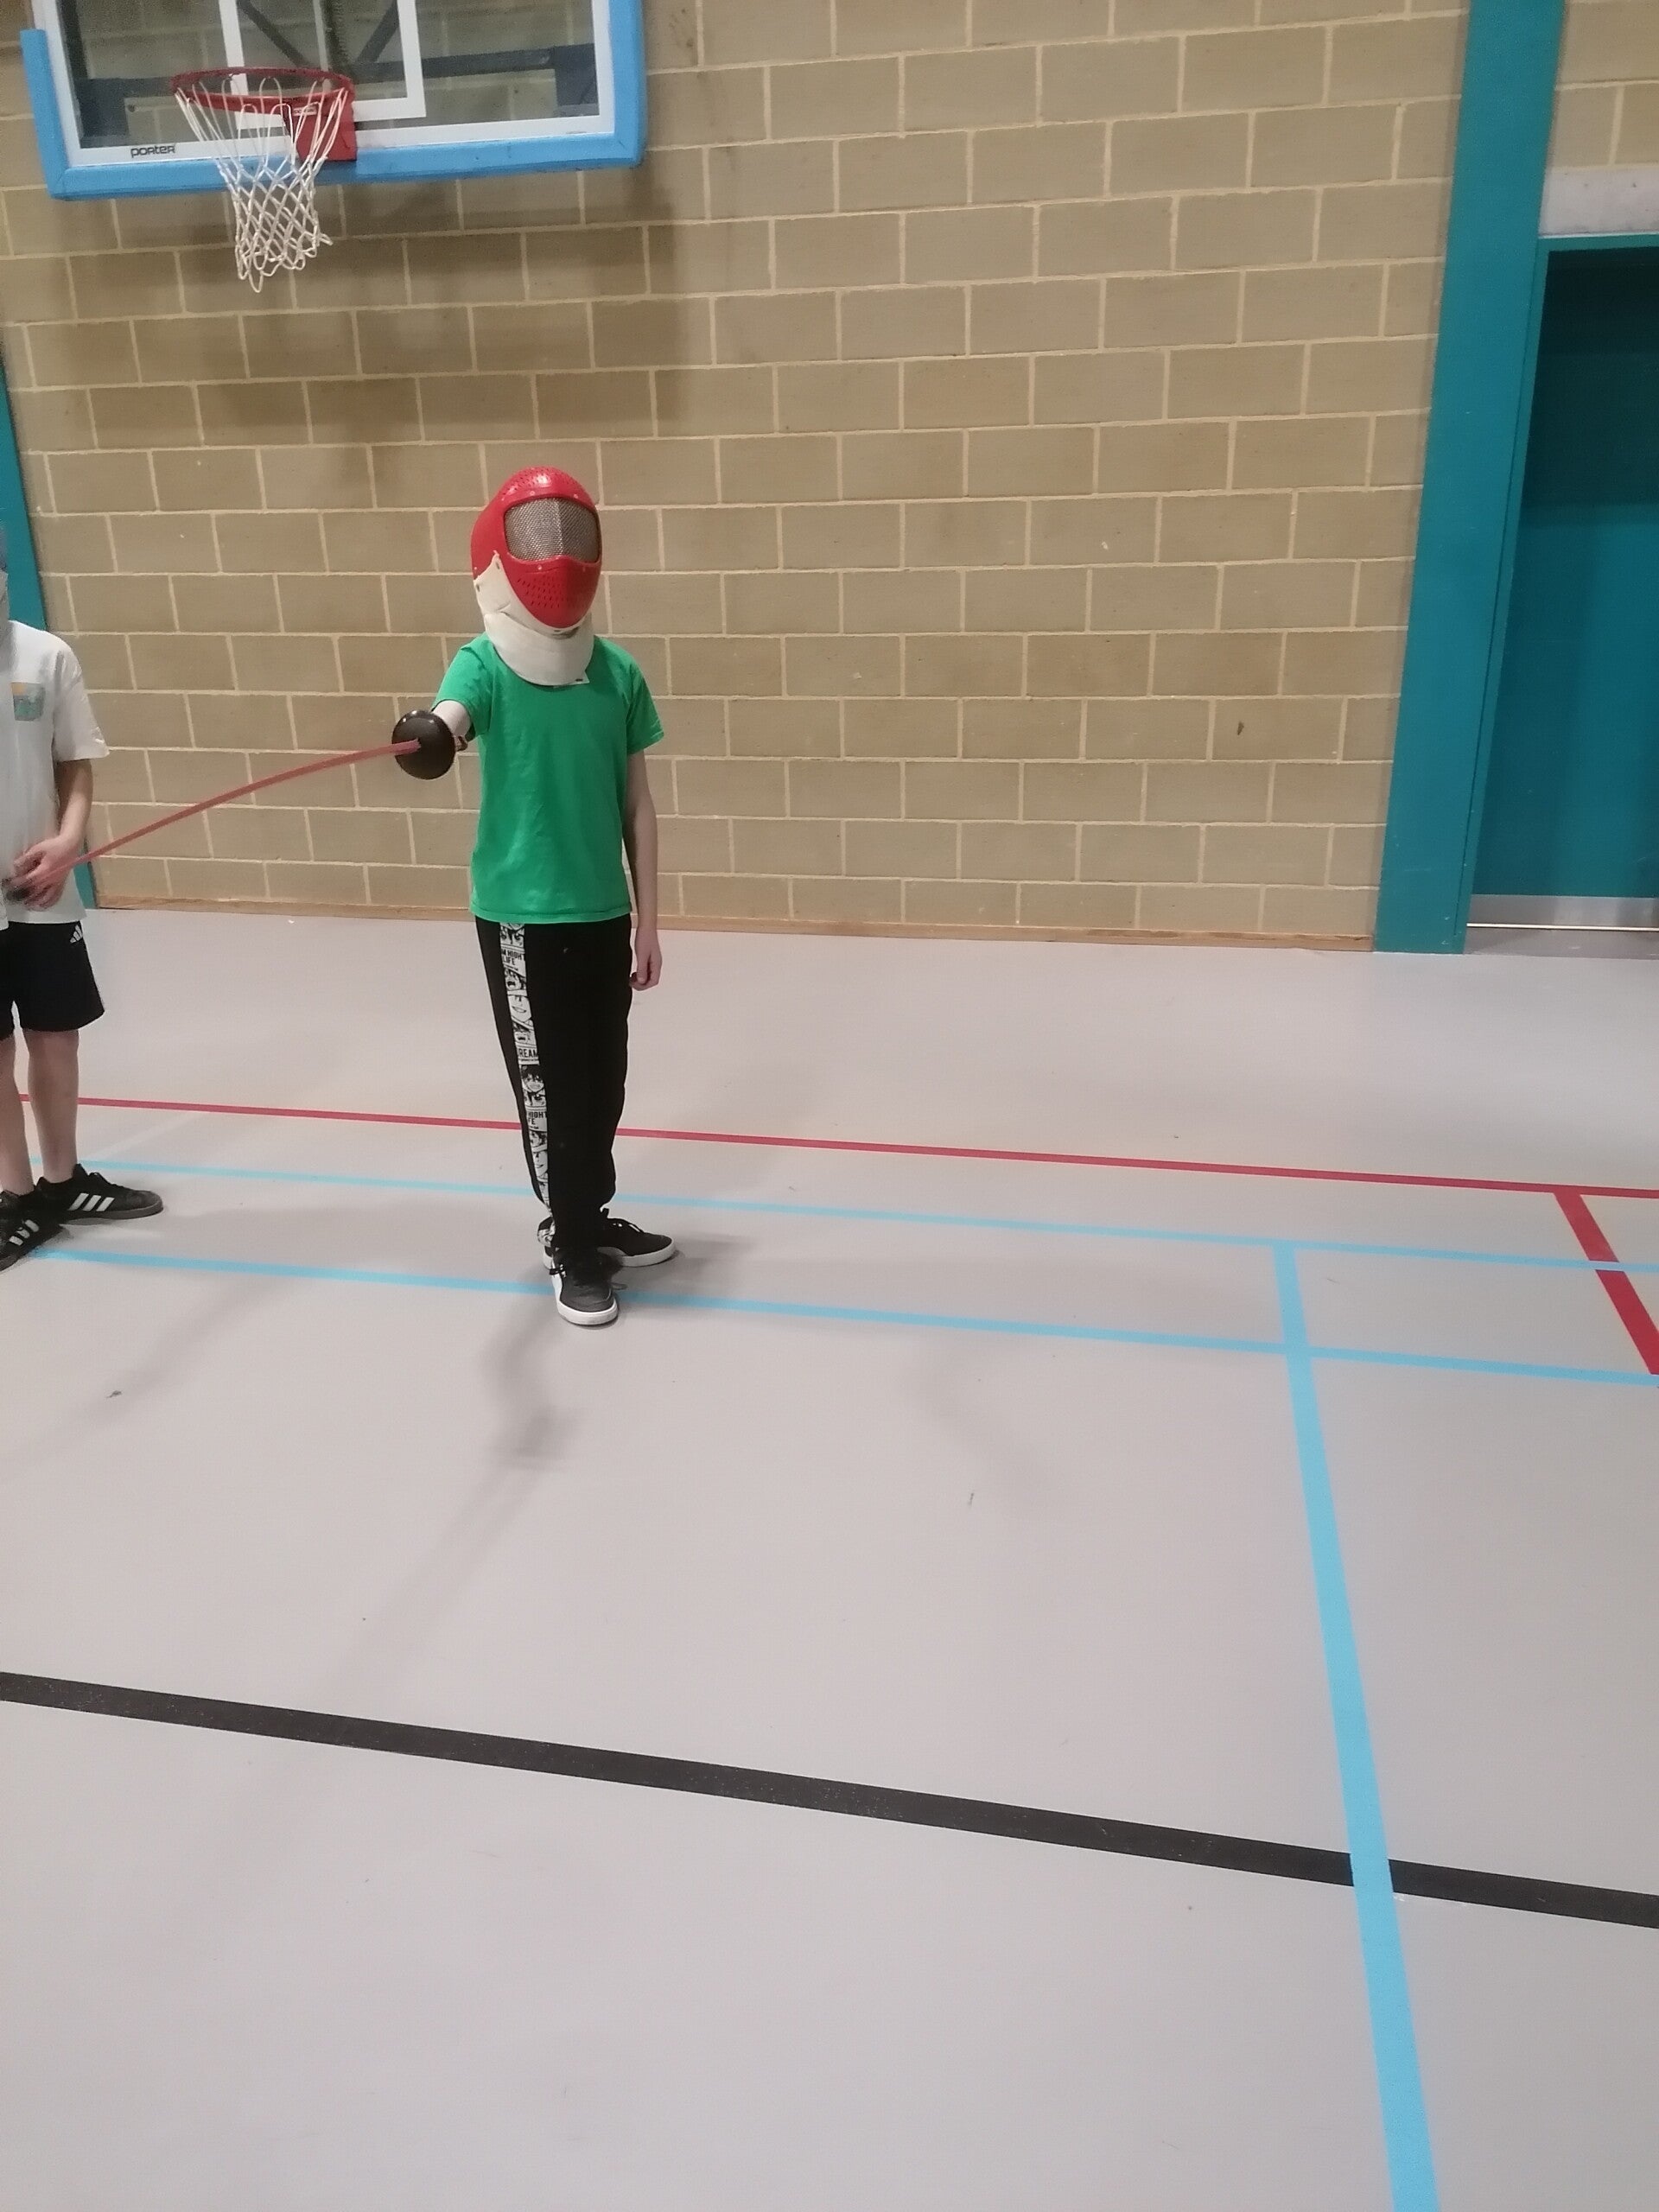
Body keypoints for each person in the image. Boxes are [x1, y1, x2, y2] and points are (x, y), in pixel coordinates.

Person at [404, 467, 673, 1329]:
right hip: (522, 916)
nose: (554, 551)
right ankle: (569, 1240)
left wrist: (649, 922)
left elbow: (638, 803)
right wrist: (431, 733)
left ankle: (590, 1212)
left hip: (602, 912)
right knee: (550, 1089)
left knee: (602, 1080)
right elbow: (453, 716)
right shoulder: (482, 664)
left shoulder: (618, 673)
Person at [0, 536, 161, 1271]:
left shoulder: (46, 657)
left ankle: (62, 1184)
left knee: (55, 1036)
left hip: (42, 889)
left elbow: (76, 765)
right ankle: (14, 1197)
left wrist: (67, 843)